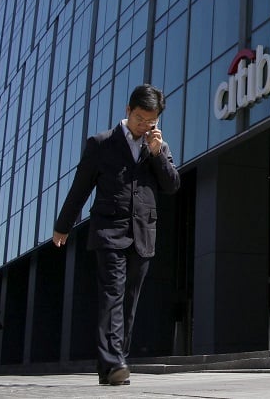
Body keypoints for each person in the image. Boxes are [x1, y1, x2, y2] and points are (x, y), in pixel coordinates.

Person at [53, 84, 180, 386]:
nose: (144, 126)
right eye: (139, 118)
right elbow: (80, 187)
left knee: (129, 303)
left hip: (142, 235)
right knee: (112, 293)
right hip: (109, 231)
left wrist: (158, 154)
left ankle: (110, 365)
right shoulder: (101, 143)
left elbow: (173, 185)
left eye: (151, 121)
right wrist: (63, 225)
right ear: (128, 111)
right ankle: (114, 362)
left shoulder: (158, 147)